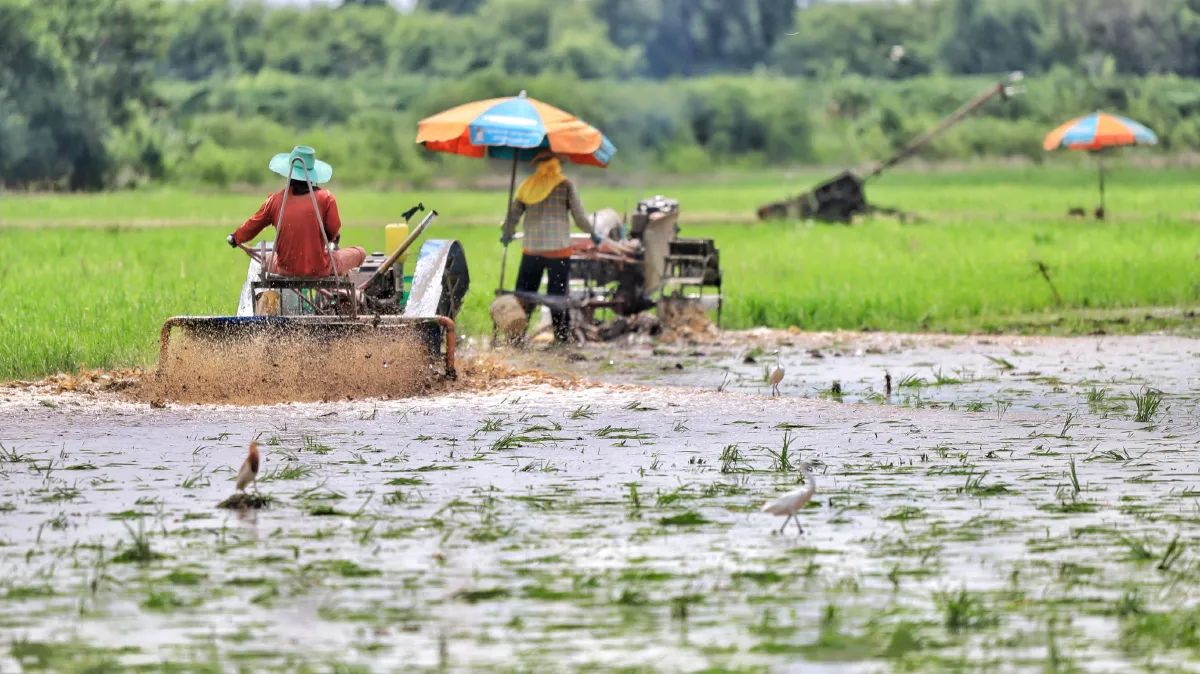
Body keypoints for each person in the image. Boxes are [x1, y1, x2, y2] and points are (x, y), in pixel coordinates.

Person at [501, 150, 602, 343]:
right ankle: (561, 338)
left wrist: (507, 233)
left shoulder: (528, 185)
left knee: (524, 294)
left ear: (539, 165)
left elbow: (513, 215)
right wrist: (593, 234)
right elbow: (579, 217)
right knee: (558, 295)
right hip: (559, 251)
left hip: (532, 249)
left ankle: (516, 338)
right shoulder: (565, 185)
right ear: (557, 164)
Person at [226, 146, 365, 278]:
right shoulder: (327, 198)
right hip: (320, 268)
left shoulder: (274, 200)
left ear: (289, 174)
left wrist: (236, 237)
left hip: (284, 269)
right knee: (360, 253)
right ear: (312, 175)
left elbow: (253, 225)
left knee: (265, 258)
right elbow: (333, 232)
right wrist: (330, 237)